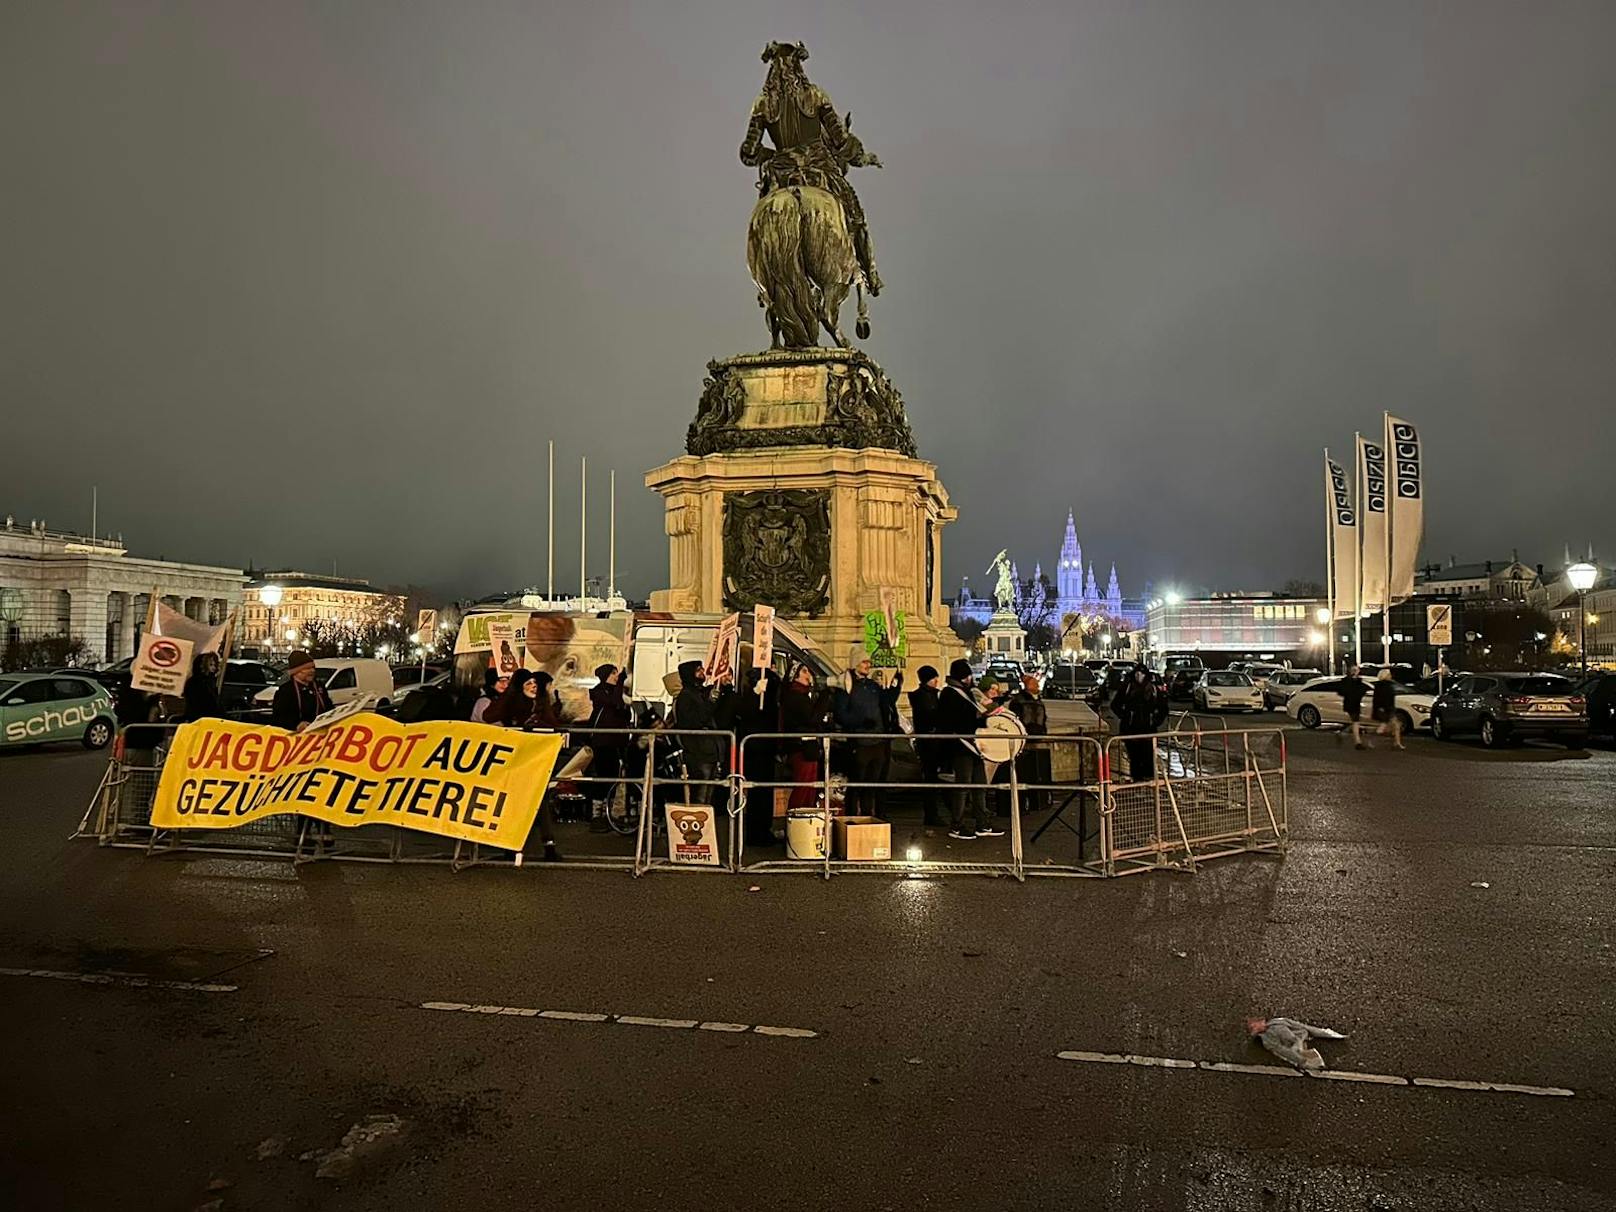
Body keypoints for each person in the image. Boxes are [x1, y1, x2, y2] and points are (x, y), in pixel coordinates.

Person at [935, 659, 1003, 840]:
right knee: (963, 786)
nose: (969, 678)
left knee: (979, 784)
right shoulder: (949, 694)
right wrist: (976, 716)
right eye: (966, 675)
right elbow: (951, 720)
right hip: (960, 745)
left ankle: (982, 822)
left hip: (974, 744)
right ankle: (957, 824)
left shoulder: (967, 692)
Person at [832, 649, 902, 817]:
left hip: (877, 742)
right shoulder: (846, 686)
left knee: (871, 785)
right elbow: (841, 715)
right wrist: (859, 722)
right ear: (856, 663)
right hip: (859, 743)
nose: (868, 665)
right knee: (856, 785)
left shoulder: (871, 685)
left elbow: (886, 700)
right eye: (864, 662)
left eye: (868, 662)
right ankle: (852, 818)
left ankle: (867, 817)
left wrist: (896, 684)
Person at [671, 660, 728, 805]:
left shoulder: (699, 693)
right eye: (698, 670)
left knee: (708, 793)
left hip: (709, 750)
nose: (702, 672)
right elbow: (697, 720)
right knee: (700, 795)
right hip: (699, 752)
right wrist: (711, 702)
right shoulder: (686, 697)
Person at [585, 664, 631, 831]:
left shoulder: (617, 692)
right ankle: (597, 814)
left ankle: (609, 812)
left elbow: (623, 710)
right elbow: (614, 704)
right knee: (603, 775)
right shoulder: (598, 692)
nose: (616, 676)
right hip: (603, 741)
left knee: (613, 776)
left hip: (617, 741)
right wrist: (619, 686)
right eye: (613, 673)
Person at [782, 662, 827, 810]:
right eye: (804, 672)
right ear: (795, 677)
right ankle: (796, 819)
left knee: (809, 787)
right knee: (803, 787)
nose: (809, 676)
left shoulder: (801, 696)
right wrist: (824, 698)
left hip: (806, 748)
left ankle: (805, 819)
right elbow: (812, 718)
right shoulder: (795, 697)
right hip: (801, 748)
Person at [1110, 664, 1164, 781]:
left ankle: (1148, 782)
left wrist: (1155, 721)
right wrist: (1125, 716)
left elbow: (1163, 708)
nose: (1139, 675)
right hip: (1131, 729)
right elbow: (1115, 705)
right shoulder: (1127, 688)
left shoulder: (1153, 689)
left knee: (1148, 758)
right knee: (1134, 758)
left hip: (1148, 730)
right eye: (1137, 673)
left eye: (1142, 673)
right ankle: (1137, 782)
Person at [907, 665, 945, 827]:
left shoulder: (930, 695)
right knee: (930, 779)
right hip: (929, 742)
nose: (937, 680)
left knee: (933, 779)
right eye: (933, 678)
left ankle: (933, 813)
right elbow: (929, 717)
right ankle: (931, 814)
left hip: (932, 741)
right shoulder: (923, 697)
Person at [1010, 673, 1051, 812]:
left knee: (1037, 772)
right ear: (1028, 686)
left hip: (1038, 738)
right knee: (1025, 773)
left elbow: (1043, 718)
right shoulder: (1018, 701)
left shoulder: (1038, 700)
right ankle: (1024, 802)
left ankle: (1036, 800)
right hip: (1025, 740)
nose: (1038, 686)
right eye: (1035, 684)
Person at [271, 651, 331, 733]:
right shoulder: (286, 691)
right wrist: (296, 725)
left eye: (313, 667)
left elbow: (328, 708)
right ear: (296, 671)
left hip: (320, 734)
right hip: (297, 738)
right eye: (307, 668)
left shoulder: (319, 687)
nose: (312, 671)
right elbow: (278, 718)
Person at [183, 652, 223, 722]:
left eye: (214, 665)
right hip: (200, 718)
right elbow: (203, 702)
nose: (213, 667)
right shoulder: (196, 682)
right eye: (211, 665)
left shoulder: (210, 681)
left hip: (208, 718)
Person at [1372, 667, 1405, 750]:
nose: (1390, 676)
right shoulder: (1385, 686)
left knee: (1396, 725)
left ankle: (1397, 743)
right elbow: (1381, 699)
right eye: (1389, 674)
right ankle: (1372, 740)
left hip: (1387, 709)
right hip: (1386, 709)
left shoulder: (1382, 685)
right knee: (1384, 727)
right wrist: (1382, 708)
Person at [1340, 664, 1370, 749]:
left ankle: (1343, 734)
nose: (1357, 671)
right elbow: (1342, 691)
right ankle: (1358, 742)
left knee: (1355, 722)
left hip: (1354, 703)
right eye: (1356, 670)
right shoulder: (1348, 681)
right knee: (1356, 722)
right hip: (1351, 703)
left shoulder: (1357, 681)